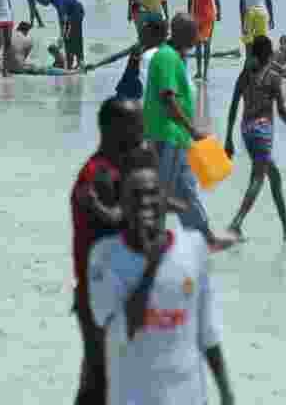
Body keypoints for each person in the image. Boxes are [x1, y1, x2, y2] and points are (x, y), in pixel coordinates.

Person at [87, 146, 235, 405]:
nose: (146, 201)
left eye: (153, 193)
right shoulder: (104, 256)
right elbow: (126, 326)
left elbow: (207, 332)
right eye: (136, 195)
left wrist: (226, 393)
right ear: (122, 202)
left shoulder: (193, 247)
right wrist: (152, 264)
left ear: (165, 197)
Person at [70, 98, 144, 405]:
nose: (142, 128)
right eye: (135, 123)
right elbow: (117, 223)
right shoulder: (99, 174)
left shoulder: (119, 168)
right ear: (113, 129)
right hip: (102, 293)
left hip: (117, 290)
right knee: (102, 379)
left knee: (99, 376)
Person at [144, 13, 234, 250]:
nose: (197, 38)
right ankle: (152, 242)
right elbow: (168, 99)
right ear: (182, 32)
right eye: (195, 32)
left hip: (177, 137)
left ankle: (203, 238)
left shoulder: (176, 58)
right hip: (166, 135)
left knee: (185, 191)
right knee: (164, 192)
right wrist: (192, 129)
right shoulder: (166, 57)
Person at [224, 35, 286, 241]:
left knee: (273, 176)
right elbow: (282, 110)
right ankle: (235, 224)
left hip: (246, 130)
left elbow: (233, 107)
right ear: (270, 54)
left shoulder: (244, 75)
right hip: (262, 132)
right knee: (258, 179)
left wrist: (228, 138)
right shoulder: (273, 77)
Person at [186, 0, 221, 81]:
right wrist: (219, 12)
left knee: (198, 45)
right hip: (209, 15)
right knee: (207, 44)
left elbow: (190, 0)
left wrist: (188, 14)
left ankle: (199, 72)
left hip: (196, 16)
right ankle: (206, 74)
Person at [50, 0, 86, 70]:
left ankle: (77, 63)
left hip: (76, 14)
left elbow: (64, 20)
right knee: (72, 39)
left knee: (72, 39)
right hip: (75, 11)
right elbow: (62, 19)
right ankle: (76, 62)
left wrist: (62, 37)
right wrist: (62, 34)